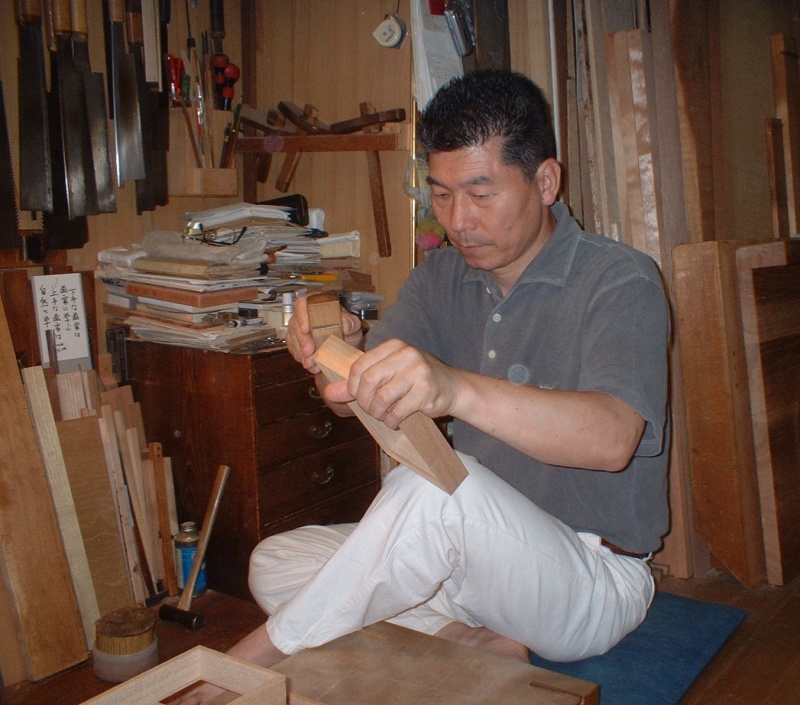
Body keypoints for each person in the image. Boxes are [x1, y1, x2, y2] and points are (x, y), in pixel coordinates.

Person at [178, 68, 669, 703]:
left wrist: (454, 389)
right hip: (472, 567)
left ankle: (243, 666)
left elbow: (613, 439)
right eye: (441, 194)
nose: (458, 220)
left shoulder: (621, 279)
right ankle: (471, 637)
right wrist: (336, 355)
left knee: (432, 496)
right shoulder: (441, 278)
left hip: (587, 577)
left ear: (546, 182)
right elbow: (355, 403)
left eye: (481, 193)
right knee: (275, 562)